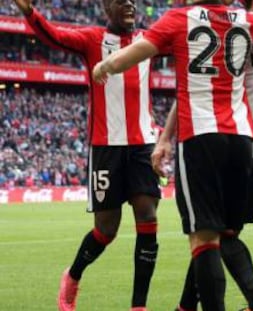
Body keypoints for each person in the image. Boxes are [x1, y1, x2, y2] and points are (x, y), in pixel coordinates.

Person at [93, 2, 253, 310]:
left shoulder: (178, 19)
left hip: (200, 136)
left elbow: (138, 50)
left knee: (204, 239)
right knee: (228, 234)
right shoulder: (247, 19)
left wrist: (107, 66)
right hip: (241, 138)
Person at [12, 0, 161, 310]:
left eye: (133, 1)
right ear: (108, 8)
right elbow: (53, 35)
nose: (131, 5)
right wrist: (30, 13)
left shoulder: (150, 39)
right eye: (122, 2)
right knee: (107, 230)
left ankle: (139, 305)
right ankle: (73, 275)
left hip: (143, 145)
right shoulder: (92, 39)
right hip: (106, 147)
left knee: (147, 217)